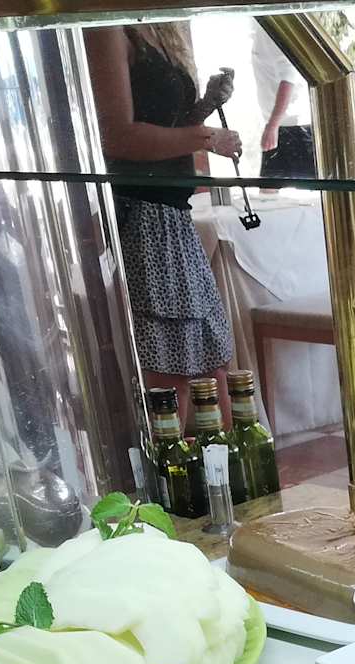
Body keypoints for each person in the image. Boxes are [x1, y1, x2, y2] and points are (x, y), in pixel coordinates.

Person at [84, 23, 244, 419]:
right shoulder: (107, 28)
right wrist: (207, 137)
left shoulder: (154, 27)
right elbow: (117, 137)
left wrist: (204, 108)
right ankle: (175, 455)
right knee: (170, 371)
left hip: (172, 214)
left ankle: (220, 456)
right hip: (141, 217)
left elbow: (162, 125)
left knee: (211, 360)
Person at [250, 24, 315, 181]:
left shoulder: (273, 32)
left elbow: (288, 80)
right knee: (268, 191)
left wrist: (273, 125)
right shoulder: (262, 30)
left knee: (312, 188)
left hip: (292, 128)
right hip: (279, 125)